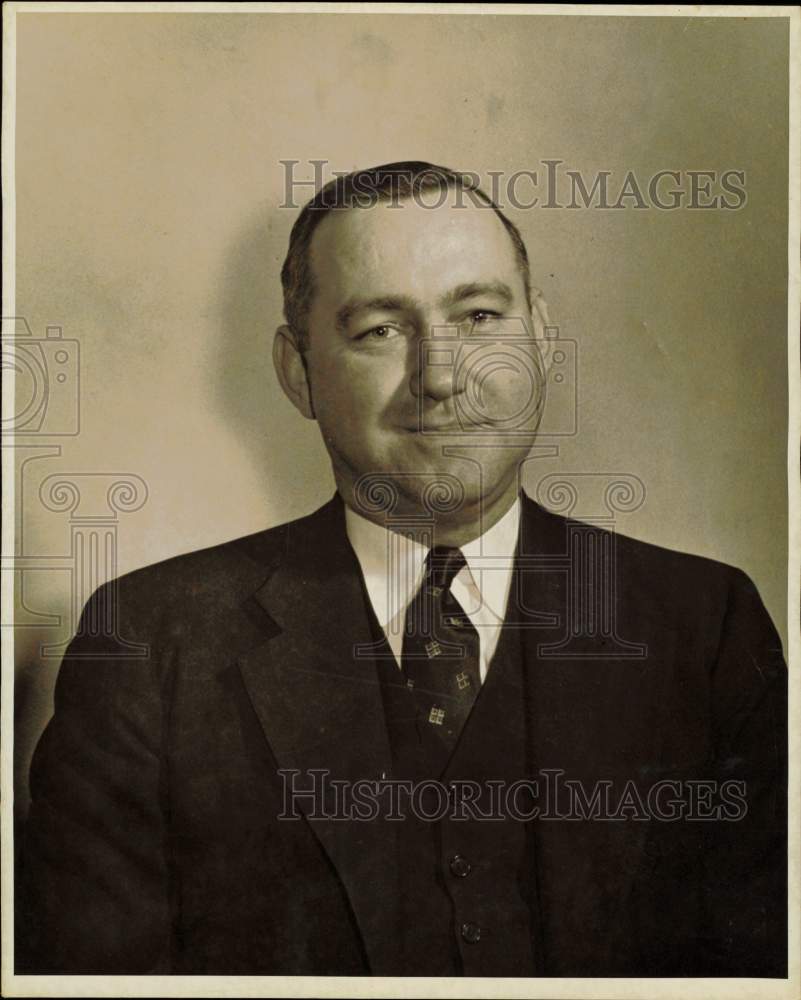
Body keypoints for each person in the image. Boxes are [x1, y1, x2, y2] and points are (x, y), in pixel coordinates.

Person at [17, 162, 787, 977]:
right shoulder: (145, 644)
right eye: (380, 330)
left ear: (542, 343)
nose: (442, 375)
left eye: (481, 315)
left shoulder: (702, 627)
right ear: (297, 370)